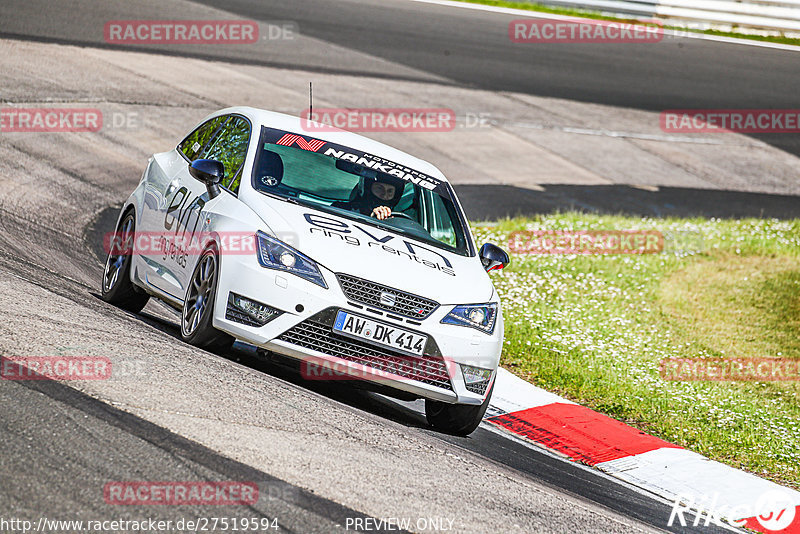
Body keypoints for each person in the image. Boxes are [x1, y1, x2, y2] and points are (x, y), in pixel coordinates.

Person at [333, 174, 405, 220]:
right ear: (367, 189)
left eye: (390, 191)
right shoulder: (340, 209)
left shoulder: (396, 221)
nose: (384, 195)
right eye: (379, 189)